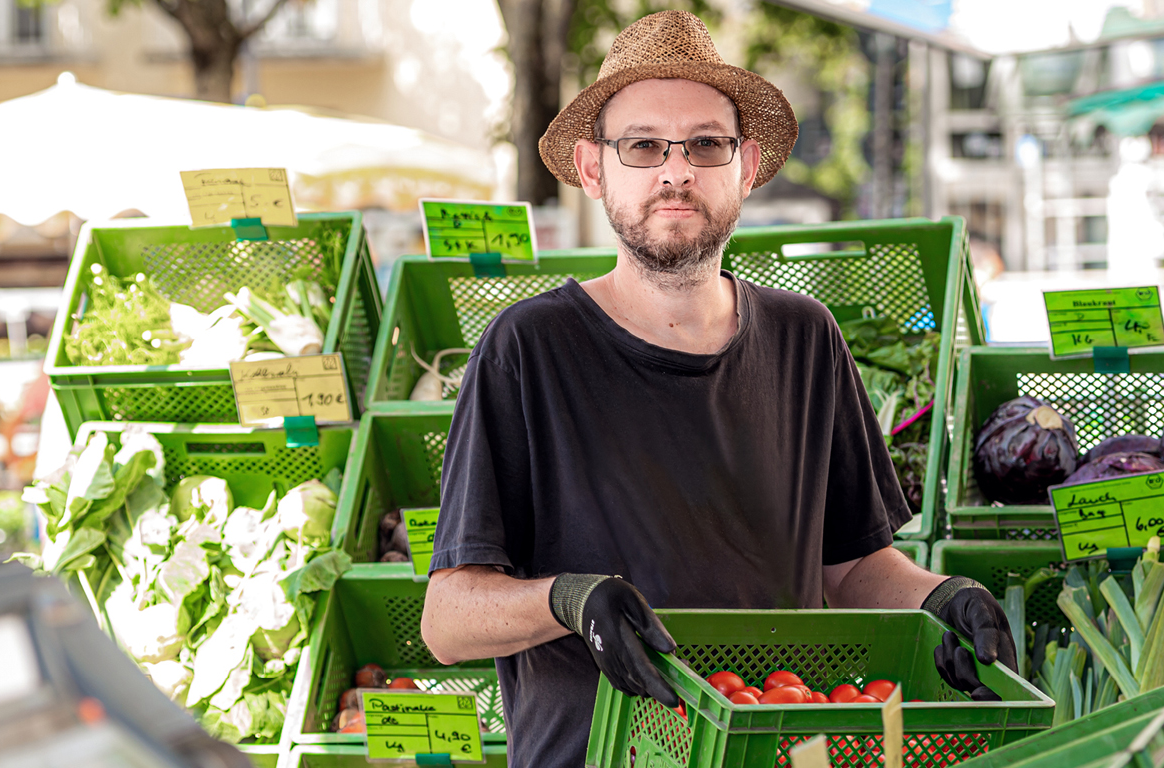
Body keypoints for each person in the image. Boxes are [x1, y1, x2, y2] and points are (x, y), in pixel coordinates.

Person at [417, 12, 1015, 767]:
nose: (676, 172)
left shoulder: (805, 338)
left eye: (706, 144)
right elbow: (447, 621)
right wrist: (566, 600)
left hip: (775, 747)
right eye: (643, 146)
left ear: (747, 164)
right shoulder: (529, 348)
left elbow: (852, 566)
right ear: (594, 169)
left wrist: (940, 598)